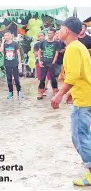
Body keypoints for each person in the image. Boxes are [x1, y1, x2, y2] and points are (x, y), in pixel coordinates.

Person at [51, 17, 91, 186]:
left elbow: (73, 75)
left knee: (79, 137)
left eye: (60, 28)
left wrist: (59, 94)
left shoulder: (73, 49)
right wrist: (71, 92)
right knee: (85, 135)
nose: (58, 32)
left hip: (83, 100)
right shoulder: (79, 46)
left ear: (66, 30)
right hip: (84, 94)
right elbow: (81, 74)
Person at [37, 28, 60, 100]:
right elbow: (39, 51)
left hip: (52, 63)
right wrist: (40, 61)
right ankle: (40, 92)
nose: (49, 34)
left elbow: (56, 53)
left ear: (54, 34)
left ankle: (55, 92)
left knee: (53, 78)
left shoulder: (56, 43)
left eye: (51, 33)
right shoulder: (43, 42)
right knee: (42, 78)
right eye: (48, 33)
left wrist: (53, 62)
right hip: (44, 62)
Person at [0, 30, 23, 100]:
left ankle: (19, 92)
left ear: (10, 36)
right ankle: (11, 92)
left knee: (16, 79)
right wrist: (3, 42)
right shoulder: (4, 44)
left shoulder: (15, 44)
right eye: (5, 35)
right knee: (9, 79)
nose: (6, 37)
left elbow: (19, 54)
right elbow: (1, 50)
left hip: (14, 64)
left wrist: (20, 63)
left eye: (7, 35)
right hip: (7, 64)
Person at [34, 31, 50, 96]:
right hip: (39, 62)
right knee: (40, 76)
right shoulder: (36, 44)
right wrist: (40, 52)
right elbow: (35, 53)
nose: (40, 37)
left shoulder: (48, 43)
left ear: (44, 36)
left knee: (47, 76)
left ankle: (44, 89)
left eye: (41, 35)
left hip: (48, 62)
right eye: (39, 36)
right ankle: (41, 88)